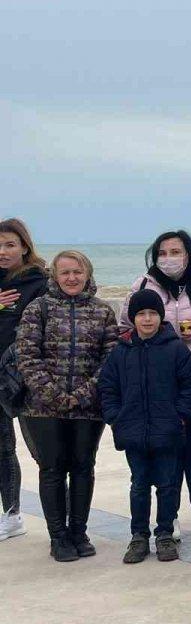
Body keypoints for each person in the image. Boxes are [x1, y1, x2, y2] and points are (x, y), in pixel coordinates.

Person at [120, 230, 191, 539]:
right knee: (170, 445)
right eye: (163, 252)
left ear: (189, 252)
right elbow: (127, 324)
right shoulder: (144, 284)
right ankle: (170, 516)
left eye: (176, 251)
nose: (169, 258)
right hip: (163, 379)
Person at [14, 251, 117, 561]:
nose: (72, 278)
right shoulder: (38, 308)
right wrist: (53, 393)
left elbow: (110, 359)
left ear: (87, 273)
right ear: (54, 276)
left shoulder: (102, 312)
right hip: (43, 408)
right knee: (53, 469)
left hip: (88, 407)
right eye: (65, 272)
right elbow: (27, 355)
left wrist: (84, 393)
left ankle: (79, 531)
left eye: (77, 272)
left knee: (84, 466)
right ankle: (58, 537)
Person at [100, 289, 191, 564]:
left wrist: (179, 415)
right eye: (141, 314)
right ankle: (139, 536)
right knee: (139, 485)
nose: (147, 319)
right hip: (133, 432)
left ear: (160, 317)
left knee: (168, 485)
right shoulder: (121, 351)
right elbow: (108, 387)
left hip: (167, 431)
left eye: (152, 313)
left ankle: (165, 534)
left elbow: (190, 385)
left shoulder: (175, 348)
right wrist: (115, 416)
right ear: (133, 318)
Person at [0, 219, 49, 542]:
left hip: (29, 377)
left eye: (9, 245)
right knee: (3, 448)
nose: (2, 252)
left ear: (25, 247)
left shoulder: (40, 282)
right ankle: (12, 513)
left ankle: (62, 520)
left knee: (43, 451)